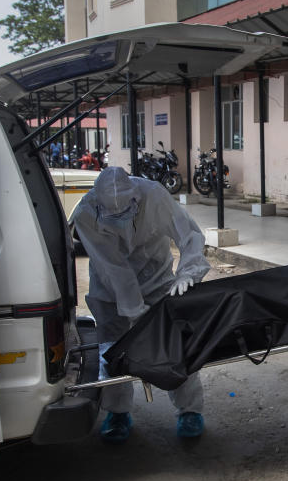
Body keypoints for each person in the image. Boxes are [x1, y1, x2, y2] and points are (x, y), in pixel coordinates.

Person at [72, 167, 211, 444]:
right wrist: (135, 312)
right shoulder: (86, 213)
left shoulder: (154, 195)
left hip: (157, 279)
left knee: (175, 344)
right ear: (98, 203)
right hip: (110, 290)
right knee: (113, 350)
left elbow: (190, 235)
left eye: (126, 212)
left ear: (135, 199)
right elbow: (116, 269)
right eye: (114, 215)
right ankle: (118, 413)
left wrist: (188, 272)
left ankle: (189, 411)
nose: (121, 220)